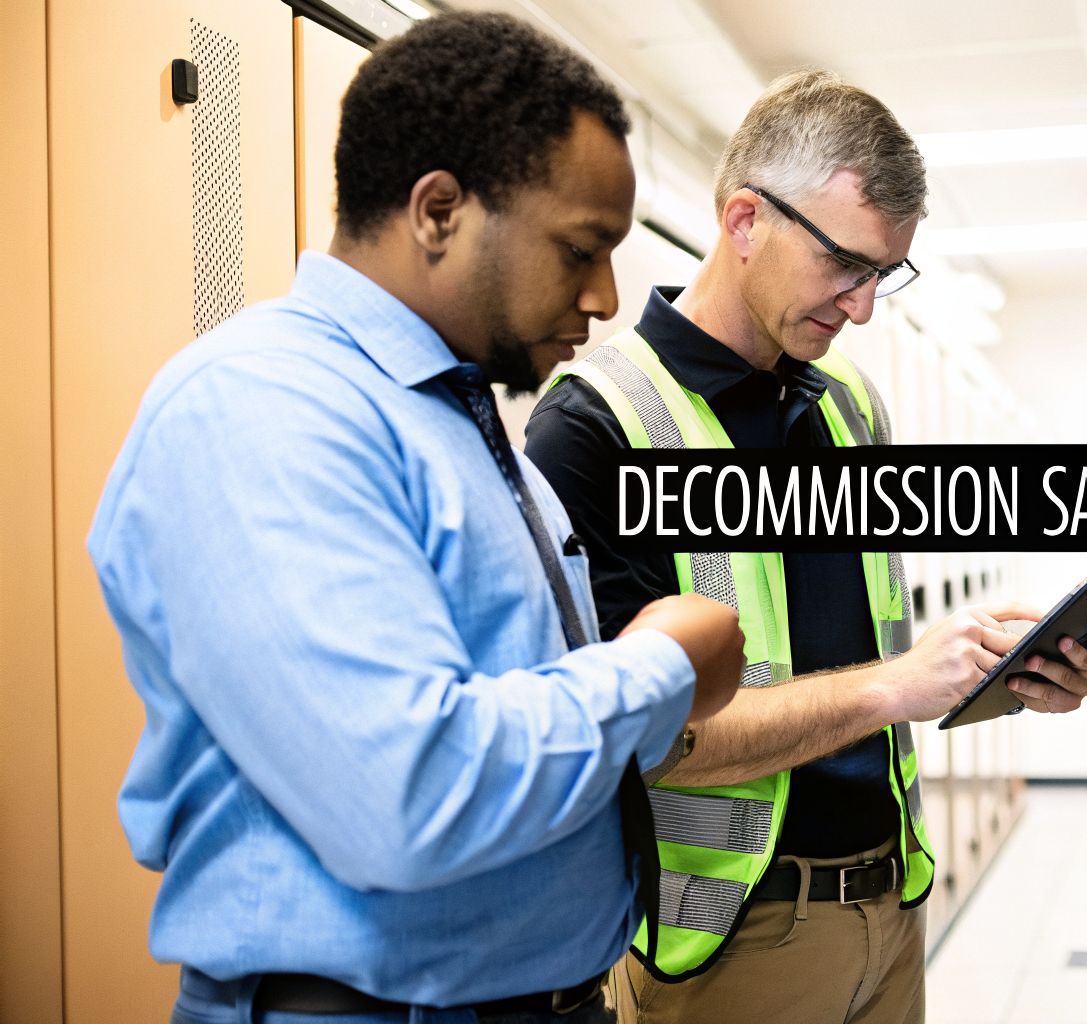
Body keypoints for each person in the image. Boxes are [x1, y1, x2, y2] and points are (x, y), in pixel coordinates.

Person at [87, 13, 745, 1023]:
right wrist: (657, 669)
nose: (608, 295)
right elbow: (404, 794)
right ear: (438, 210)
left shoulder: (452, 416)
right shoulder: (263, 405)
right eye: (580, 248)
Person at [523, 70, 1087, 1024]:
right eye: (847, 265)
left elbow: (859, 656)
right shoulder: (595, 428)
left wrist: (987, 670)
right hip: (728, 943)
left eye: (884, 274)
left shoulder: (846, 409)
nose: (864, 307)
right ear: (747, 219)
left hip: (892, 909)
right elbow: (637, 741)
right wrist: (895, 685)